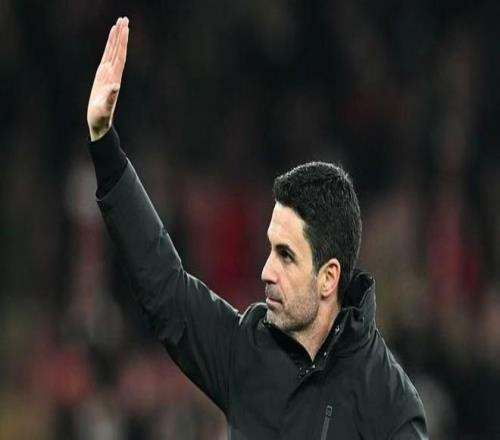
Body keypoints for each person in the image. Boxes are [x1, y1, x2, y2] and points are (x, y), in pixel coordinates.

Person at [86, 17, 428, 439]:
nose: (266, 271)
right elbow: (165, 287)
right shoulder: (247, 349)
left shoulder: (390, 406)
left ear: (328, 277)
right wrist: (104, 144)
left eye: (286, 255)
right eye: (270, 249)